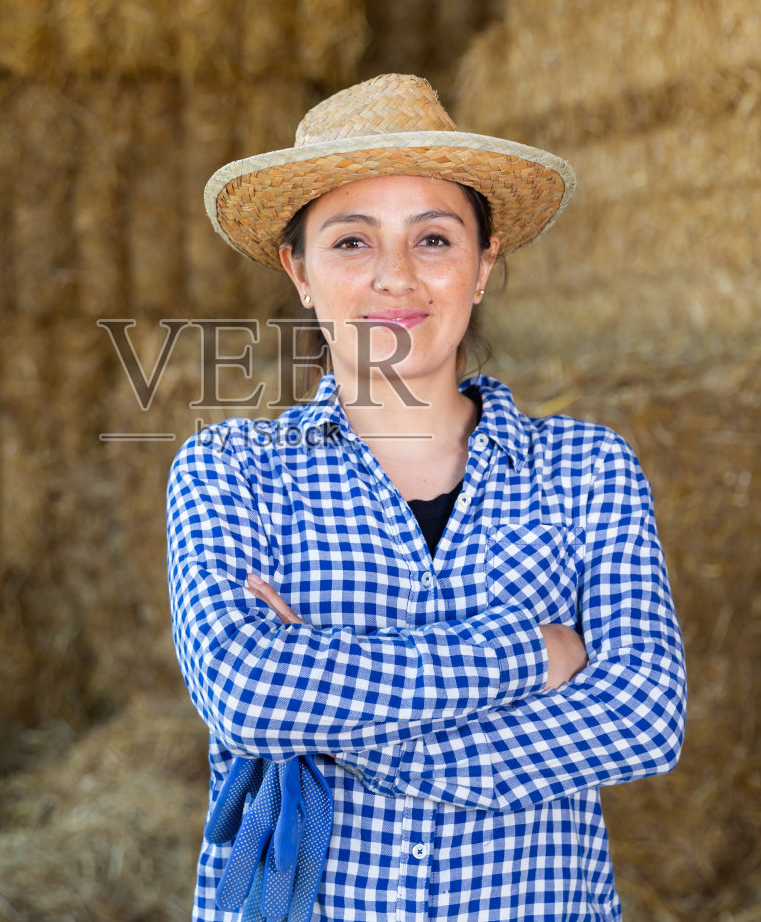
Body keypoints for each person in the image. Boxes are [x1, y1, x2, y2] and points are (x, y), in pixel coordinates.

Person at [166, 73, 686, 921]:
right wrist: (536, 657)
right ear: (298, 271)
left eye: (435, 240)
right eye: (352, 243)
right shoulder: (229, 471)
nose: (396, 278)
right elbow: (248, 691)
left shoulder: (591, 471)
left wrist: (334, 716)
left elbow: (644, 714)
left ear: (483, 266)